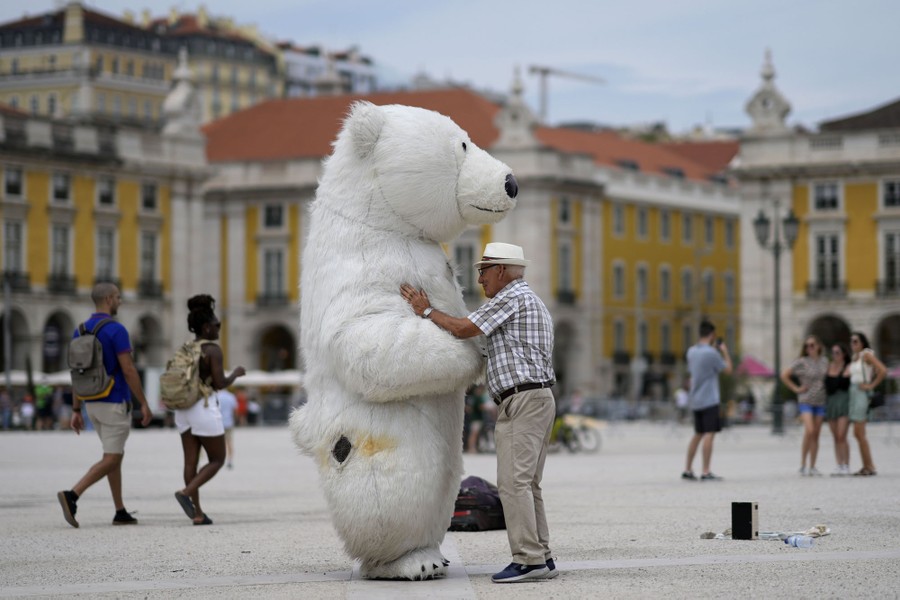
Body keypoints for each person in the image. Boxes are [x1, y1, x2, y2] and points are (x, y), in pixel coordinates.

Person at [401, 242, 557, 583]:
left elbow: (462, 328)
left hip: (523, 399)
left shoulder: (511, 297)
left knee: (513, 484)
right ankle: (541, 555)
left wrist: (424, 310)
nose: (480, 279)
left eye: (483, 271)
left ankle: (528, 559)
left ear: (501, 270)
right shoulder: (526, 298)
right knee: (529, 484)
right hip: (536, 397)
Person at [57, 282, 152, 528]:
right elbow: (129, 370)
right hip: (113, 401)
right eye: (118, 297)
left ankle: (119, 510)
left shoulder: (80, 331)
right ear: (109, 299)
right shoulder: (116, 330)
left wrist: (76, 409)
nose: (120, 301)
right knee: (112, 457)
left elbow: (77, 372)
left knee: (114, 455)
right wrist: (144, 402)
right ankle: (72, 495)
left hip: (91, 403)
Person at [173, 295, 245, 525]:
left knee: (190, 462)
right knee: (217, 458)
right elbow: (220, 383)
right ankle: (186, 493)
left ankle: (197, 514)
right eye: (217, 325)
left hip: (182, 409)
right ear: (206, 327)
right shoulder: (212, 350)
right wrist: (236, 373)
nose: (218, 329)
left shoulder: (186, 348)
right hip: (203, 407)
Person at [682, 320, 732, 481]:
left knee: (697, 433)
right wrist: (724, 351)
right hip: (709, 399)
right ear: (712, 335)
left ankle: (688, 469)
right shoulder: (712, 354)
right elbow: (728, 370)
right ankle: (706, 471)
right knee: (709, 434)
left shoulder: (691, 351)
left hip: (695, 398)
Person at [780, 335, 829, 476]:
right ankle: (803, 463)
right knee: (810, 430)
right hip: (805, 400)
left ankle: (812, 465)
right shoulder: (801, 361)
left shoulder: (824, 361)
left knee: (816, 434)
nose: (809, 348)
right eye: (807, 346)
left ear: (819, 346)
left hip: (820, 401)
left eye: (812, 345)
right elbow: (784, 375)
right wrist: (796, 388)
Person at [845, 331, 887, 476]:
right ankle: (867, 465)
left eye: (855, 341)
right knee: (858, 433)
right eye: (851, 341)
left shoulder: (866, 355)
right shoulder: (855, 357)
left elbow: (882, 370)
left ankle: (869, 466)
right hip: (854, 393)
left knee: (859, 432)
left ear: (862, 343)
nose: (853, 344)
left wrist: (871, 385)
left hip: (861, 393)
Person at [825, 341, 851, 476]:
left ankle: (846, 464)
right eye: (833, 353)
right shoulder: (829, 367)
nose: (835, 355)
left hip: (844, 402)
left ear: (844, 354)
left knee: (842, 435)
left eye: (837, 353)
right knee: (835, 436)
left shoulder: (848, 367)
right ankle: (839, 464)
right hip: (831, 403)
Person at [218, 387, 238, 469]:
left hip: (217, 422)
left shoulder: (217, 396)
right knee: (229, 442)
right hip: (228, 422)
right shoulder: (231, 396)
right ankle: (229, 460)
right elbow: (235, 409)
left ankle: (217, 460)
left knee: (217, 443)